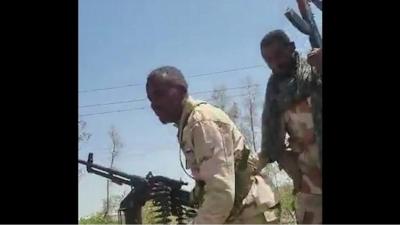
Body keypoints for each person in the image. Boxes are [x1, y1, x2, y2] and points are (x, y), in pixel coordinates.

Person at [146, 66, 280, 224]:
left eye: (159, 94)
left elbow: (220, 193)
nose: (154, 105)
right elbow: (211, 181)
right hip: (240, 212)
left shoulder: (202, 122)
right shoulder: (189, 124)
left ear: (181, 90)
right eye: (150, 99)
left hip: (250, 215)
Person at [258, 30, 322, 224]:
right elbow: (273, 147)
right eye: (268, 60)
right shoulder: (275, 96)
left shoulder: (315, 70)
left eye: (278, 55)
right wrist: (301, 179)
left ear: (291, 48)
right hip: (313, 192)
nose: (275, 63)